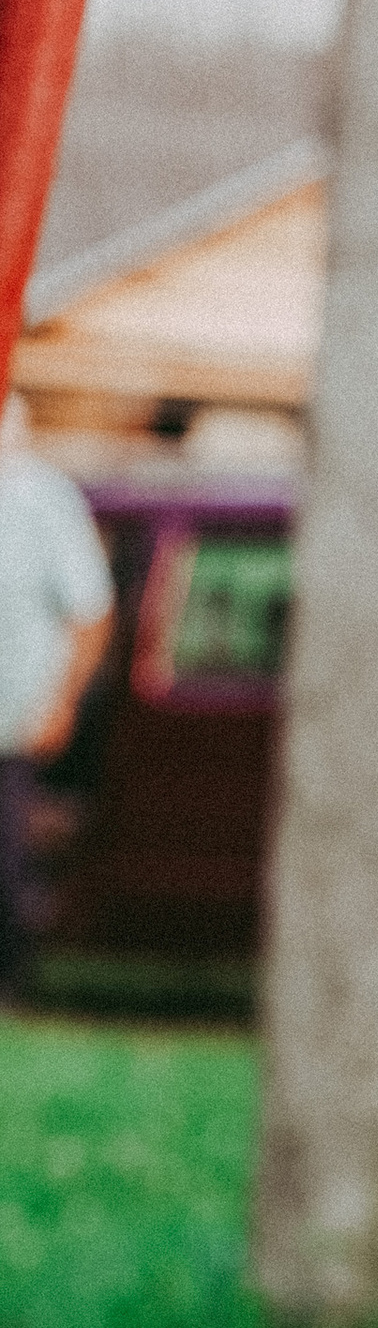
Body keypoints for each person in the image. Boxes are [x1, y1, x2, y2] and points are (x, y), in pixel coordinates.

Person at [0, 397, 114, 994]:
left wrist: (60, 701)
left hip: (14, 721)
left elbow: (90, 612)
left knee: (7, 855)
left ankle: (11, 979)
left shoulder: (43, 501)